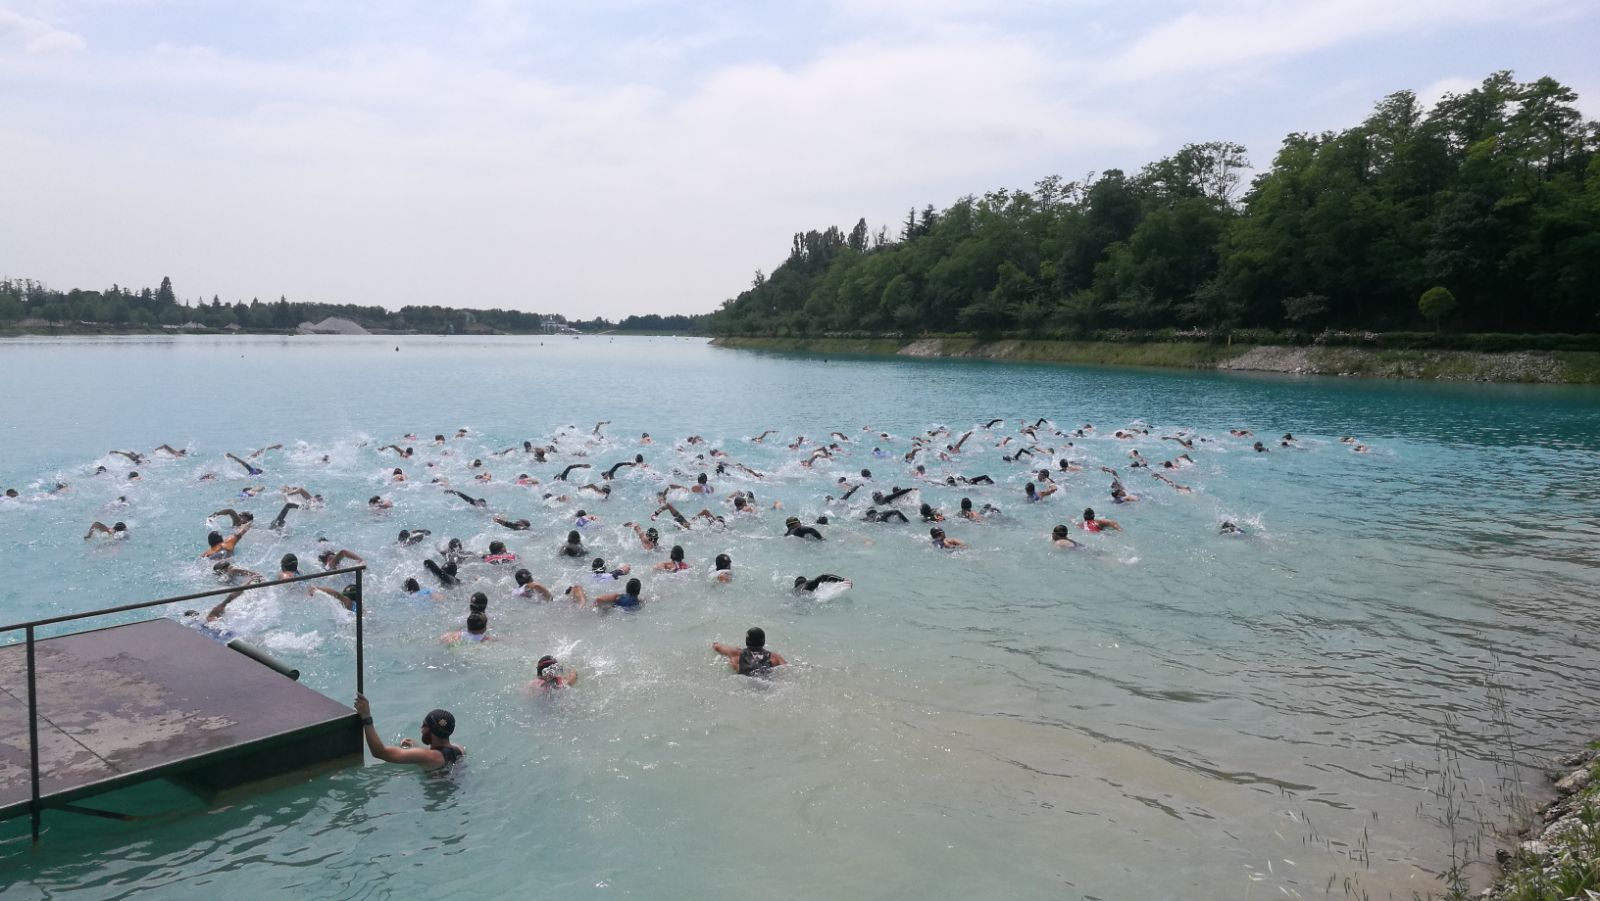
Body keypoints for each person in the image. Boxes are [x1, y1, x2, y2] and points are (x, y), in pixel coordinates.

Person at [353, 696, 464, 769]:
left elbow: (379, 752)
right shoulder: (459, 749)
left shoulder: (429, 757)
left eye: (424, 725)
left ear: (431, 730)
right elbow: (437, 753)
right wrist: (417, 748)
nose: (421, 728)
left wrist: (366, 716)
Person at [712, 627, 787, 676]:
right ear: (763, 641)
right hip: (765, 681)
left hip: (744, 679)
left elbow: (717, 647)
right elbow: (786, 668)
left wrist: (713, 644)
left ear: (746, 641)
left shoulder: (737, 653)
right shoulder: (774, 657)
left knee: (734, 661)